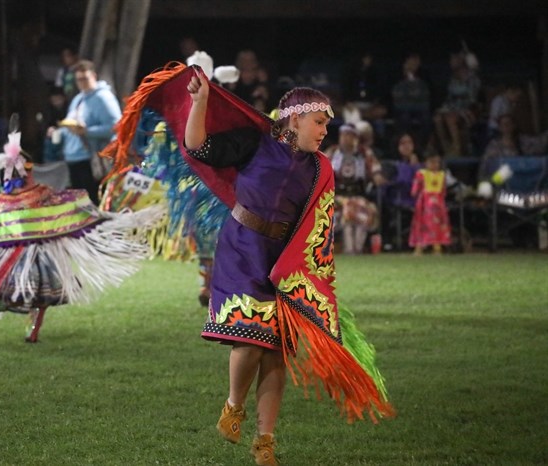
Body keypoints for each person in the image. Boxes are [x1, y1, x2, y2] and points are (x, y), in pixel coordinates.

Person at [101, 63, 394, 466]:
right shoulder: (255, 142)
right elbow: (199, 147)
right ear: (294, 118)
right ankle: (233, 405)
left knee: (276, 353)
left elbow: (318, 229)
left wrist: (307, 274)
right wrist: (200, 102)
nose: (325, 131)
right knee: (252, 334)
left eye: (327, 124)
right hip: (242, 246)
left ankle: (265, 443)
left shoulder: (319, 169)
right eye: (319, 122)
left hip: (283, 261)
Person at [0, 129, 163, 343]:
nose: (28, 171)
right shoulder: (39, 193)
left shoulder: (4, 200)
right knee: (41, 297)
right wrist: (98, 213)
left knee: (14, 295)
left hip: (10, 260)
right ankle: (28, 329)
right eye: (26, 168)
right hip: (39, 258)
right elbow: (68, 207)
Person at [47, 60, 121, 205]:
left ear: (93, 76)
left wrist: (87, 132)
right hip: (73, 158)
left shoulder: (103, 97)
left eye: (85, 78)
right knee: (80, 206)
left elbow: (116, 126)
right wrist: (58, 131)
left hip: (92, 159)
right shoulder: (78, 99)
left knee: (95, 203)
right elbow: (70, 126)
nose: (82, 83)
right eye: (79, 79)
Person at [325, 123, 385, 254]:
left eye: (350, 135)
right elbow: (319, 170)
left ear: (356, 138)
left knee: (366, 211)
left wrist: (377, 176)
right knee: (348, 207)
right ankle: (350, 249)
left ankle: (356, 249)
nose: (346, 138)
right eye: (343, 135)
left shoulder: (364, 152)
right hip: (336, 197)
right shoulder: (332, 152)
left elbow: (375, 168)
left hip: (359, 196)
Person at [433, 50, 482, 156]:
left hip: (468, 110)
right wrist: (445, 108)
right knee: (437, 118)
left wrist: (458, 107)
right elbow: (450, 98)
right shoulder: (453, 79)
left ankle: (457, 147)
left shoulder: (472, 78)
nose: (451, 61)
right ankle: (446, 147)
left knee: (450, 118)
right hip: (452, 109)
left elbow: (472, 99)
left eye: (454, 59)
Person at [409, 153, 451, 255]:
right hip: (424, 204)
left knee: (438, 225)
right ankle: (419, 247)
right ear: (426, 163)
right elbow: (415, 189)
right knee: (422, 225)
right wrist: (415, 195)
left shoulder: (442, 175)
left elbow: (443, 191)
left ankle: (437, 247)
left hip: (438, 205)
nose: (434, 164)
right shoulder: (421, 174)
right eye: (431, 162)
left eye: (437, 162)